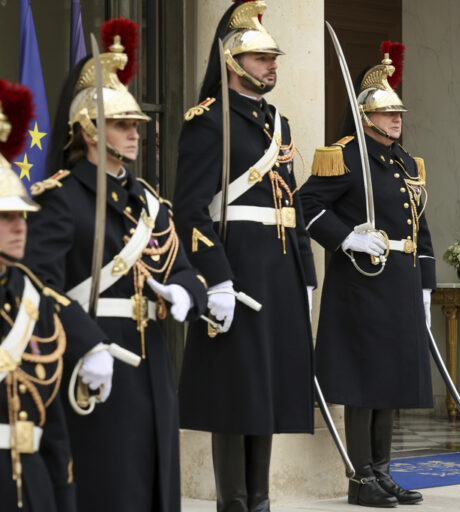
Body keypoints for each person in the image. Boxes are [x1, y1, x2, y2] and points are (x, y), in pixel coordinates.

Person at [22, 20, 207, 512]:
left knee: (154, 489)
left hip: (152, 369)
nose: (134, 134)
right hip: (93, 368)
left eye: (136, 126)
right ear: (87, 130)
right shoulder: (60, 200)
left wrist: (185, 294)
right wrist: (85, 346)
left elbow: (185, 269)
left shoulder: (148, 202)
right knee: (109, 487)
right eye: (122, 124)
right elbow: (38, 286)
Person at [173, 2, 317, 511]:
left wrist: (305, 273)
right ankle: (233, 504)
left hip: (278, 273)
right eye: (260, 58)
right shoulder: (209, 121)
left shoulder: (277, 122)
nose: (272, 65)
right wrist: (216, 279)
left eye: (273, 57)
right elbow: (188, 209)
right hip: (236, 270)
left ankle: (260, 502)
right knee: (236, 398)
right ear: (233, 62)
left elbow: (290, 201)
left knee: (268, 396)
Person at [299, 42, 435, 507]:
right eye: (387, 114)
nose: (397, 120)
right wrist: (346, 238)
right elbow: (307, 205)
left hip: (399, 280)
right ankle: (360, 479)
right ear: (367, 116)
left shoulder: (404, 162)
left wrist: (426, 288)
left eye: (399, 113)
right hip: (362, 281)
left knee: (390, 381)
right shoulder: (344, 156)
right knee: (363, 383)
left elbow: (421, 226)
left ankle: (382, 470)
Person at [0, 80, 75, 512]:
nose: (20, 226)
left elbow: (52, 420)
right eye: (7, 216)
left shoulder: (33, 301)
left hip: (33, 485)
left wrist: (64, 497)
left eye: (23, 215)